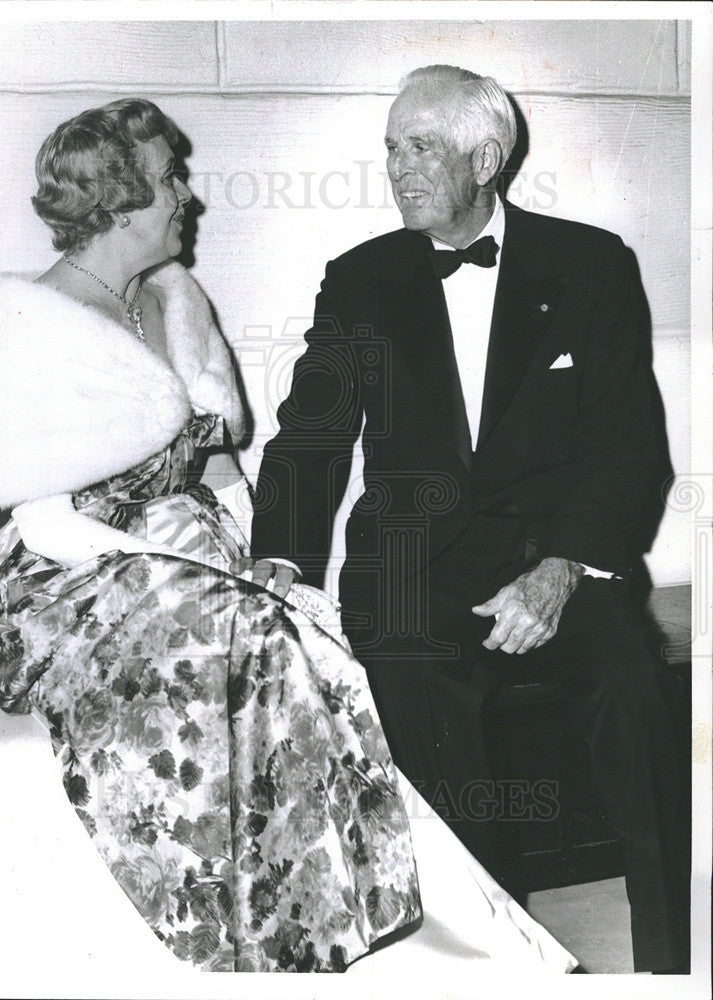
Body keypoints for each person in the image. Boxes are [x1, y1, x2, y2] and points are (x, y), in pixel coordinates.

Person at [0, 98, 425, 973]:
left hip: (178, 552)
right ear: (122, 203)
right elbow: (42, 517)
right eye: (172, 177)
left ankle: (307, 914)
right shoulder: (31, 321)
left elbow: (214, 467)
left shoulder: (173, 298)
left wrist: (257, 561)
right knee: (239, 632)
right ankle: (224, 931)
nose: (188, 196)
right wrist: (186, 577)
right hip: (70, 575)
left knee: (297, 622)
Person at [251, 65, 690, 973]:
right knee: (420, 703)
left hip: (559, 563)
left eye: (420, 147)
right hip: (415, 569)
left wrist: (562, 569)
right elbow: (311, 437)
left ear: (485, 158)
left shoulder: (590, 264)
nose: (397, 168)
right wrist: (280, 564)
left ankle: (669, 959)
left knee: (633, 693)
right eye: (389, 149)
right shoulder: (362, 280)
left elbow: (627, 446)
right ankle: (494, 963)